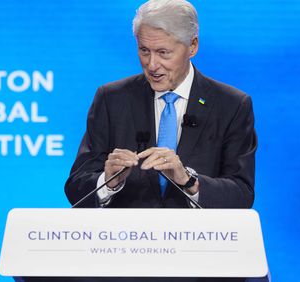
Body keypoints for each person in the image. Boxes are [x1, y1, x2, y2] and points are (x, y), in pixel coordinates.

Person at [65, 0, 257, 210]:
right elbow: (76, 186)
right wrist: (107, 181)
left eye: (163, 52)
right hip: (126, 239)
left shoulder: (232, 105)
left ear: (192, 46)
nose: (152, 65)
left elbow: (241, 194)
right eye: (144, 51)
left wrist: (188, 181)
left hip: (198, 240)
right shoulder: (112, 99)